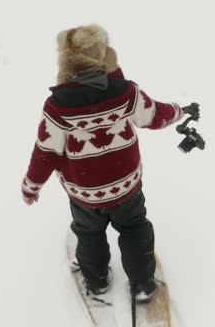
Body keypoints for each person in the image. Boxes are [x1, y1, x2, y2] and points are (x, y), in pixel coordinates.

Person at [21, 25, 196, 302]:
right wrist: (180, 110)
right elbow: (155, 115)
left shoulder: (57, 108)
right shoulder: (125, 93)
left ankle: (97, 280)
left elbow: (46, 152)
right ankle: (142, 283)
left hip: (84, 192)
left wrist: (31, 187)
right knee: (134, 228)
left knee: (89, 233)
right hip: (126, 185)